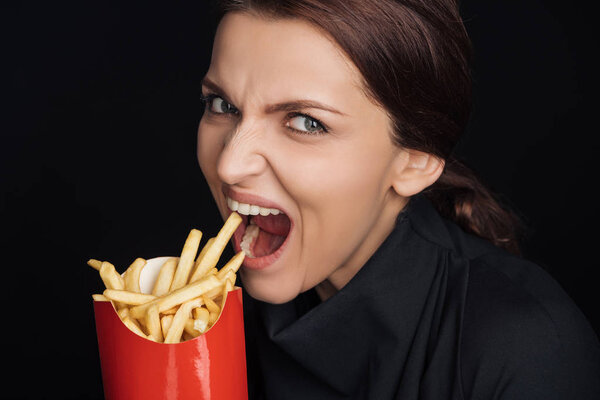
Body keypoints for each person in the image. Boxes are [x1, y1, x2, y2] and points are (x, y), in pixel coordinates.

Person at [196, 0, 600, 398]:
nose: (230, 165)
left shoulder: (525, 348)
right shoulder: (200, 318)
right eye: (222, 104)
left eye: (306, 122)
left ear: (415, 162)